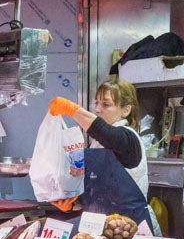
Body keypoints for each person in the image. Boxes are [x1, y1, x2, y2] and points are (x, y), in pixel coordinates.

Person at [48, 79, 154, 231]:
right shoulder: (95, 144)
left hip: (130, 229)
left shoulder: (128, 138)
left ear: (126, 111)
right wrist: (71, 204)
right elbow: (93, 194)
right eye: (96, 103)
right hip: (98, 228)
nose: (97, 109)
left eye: (105, 104)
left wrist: (71, 110)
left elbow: (108, 135)